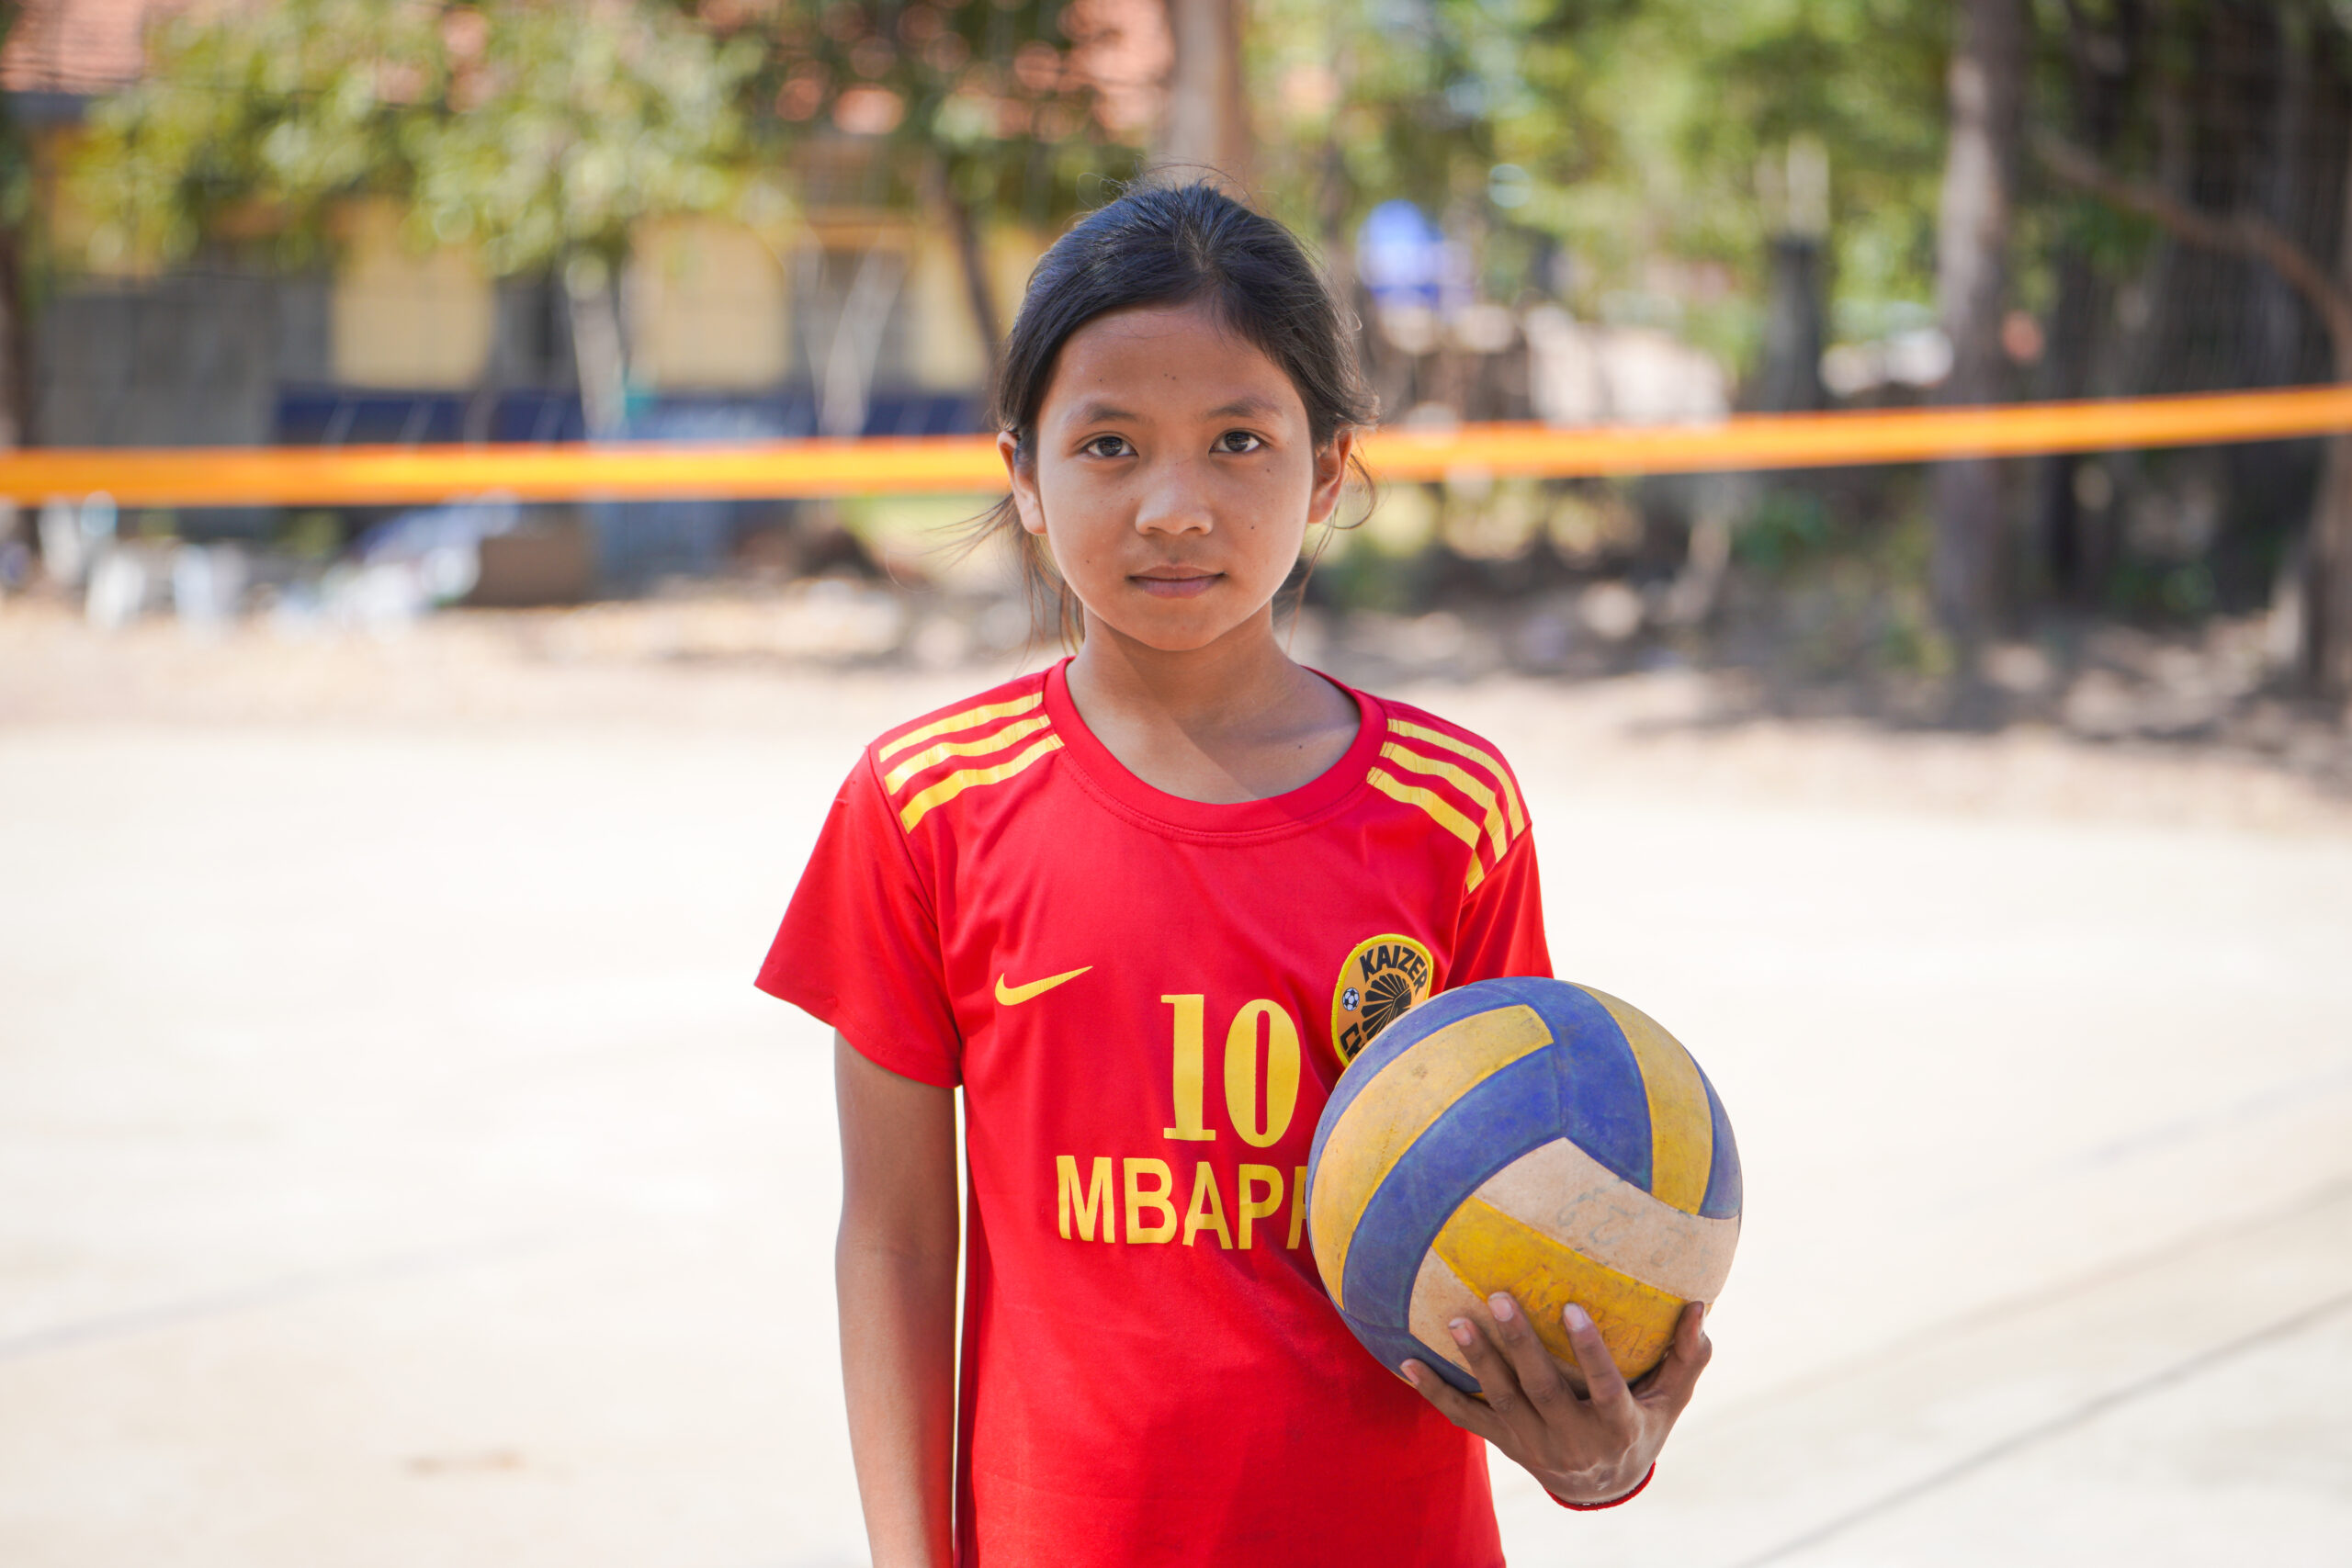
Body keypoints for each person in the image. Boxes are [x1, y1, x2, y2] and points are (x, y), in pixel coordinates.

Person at [756, 181, 1712, 1568]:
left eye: (1239, 442)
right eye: (1110, 445)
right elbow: (897, 1244)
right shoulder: (924, 807)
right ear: (1023, 474)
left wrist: (1599, 1449)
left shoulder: (1449, 810)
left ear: (1328, 471)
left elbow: (1528, 1214)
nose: (1174, 506)